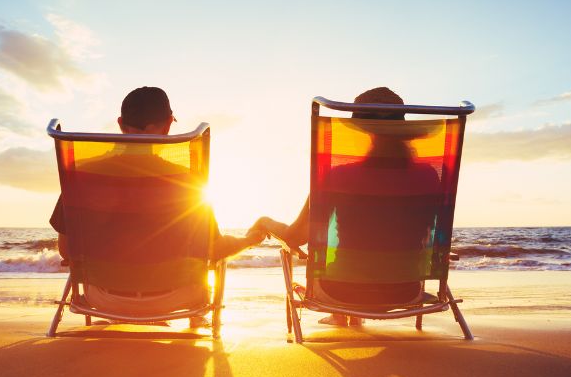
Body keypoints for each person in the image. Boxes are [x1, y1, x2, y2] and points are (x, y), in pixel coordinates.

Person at [50, 86, 266, 327]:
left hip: (101, 298)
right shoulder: (188, 182)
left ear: (121, 124)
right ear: (168, 124)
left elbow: (67, 250)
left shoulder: (84, 176)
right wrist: (248, 240)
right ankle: (194, 320)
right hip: (176, 298)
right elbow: (214, 250)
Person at [253, 87, 440, 326]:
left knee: (346, 263)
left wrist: (265, 222)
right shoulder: (428, 176)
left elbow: (296, 237)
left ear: (365, 133)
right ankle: (347, 316)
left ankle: (341, 313)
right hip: (405, 290)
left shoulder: (338, 176)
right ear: (403, 131)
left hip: (340, 292)